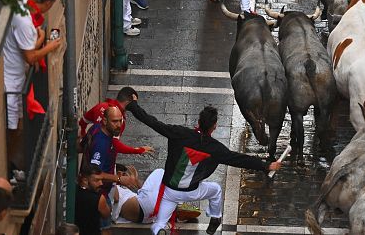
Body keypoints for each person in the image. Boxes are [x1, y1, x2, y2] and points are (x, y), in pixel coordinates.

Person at [126, 101, 281, 234]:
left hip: (170, 192)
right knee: (216, 190)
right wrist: (266, 166)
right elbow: (240, 159)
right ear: (214, 127)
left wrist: (133, 106)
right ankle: (215, 217)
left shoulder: (178, 133)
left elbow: (152, 122)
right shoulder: (216, 149)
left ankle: (159, 229)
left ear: (198, 122)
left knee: (159, 223)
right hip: (192, 192)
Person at [3, 0, 62, 170]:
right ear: (49, 3)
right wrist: (49, 46)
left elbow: (25, 49)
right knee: (14, 129)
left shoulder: (21, 6)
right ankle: (9, 168)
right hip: (11, 81)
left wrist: (38, 40)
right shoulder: (25, 22)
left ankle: (11, 165)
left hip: (13, 75)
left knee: (17, 126)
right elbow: (29, 57)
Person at [79, 87, 149, 154]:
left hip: (89, 152)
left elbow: (84, 121)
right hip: (102, 156)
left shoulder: (100, 106)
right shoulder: (119, 120)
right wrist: (138, 150)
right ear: (128, 102)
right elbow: (116, 145)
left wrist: (83, 132)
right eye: (134, 104)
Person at [75, 164, 109, 235]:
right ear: (85, 180)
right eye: (97, 180)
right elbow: (106, 215)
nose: (101, 183)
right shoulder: (99, 198)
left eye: (101, 180)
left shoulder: (73, 192)